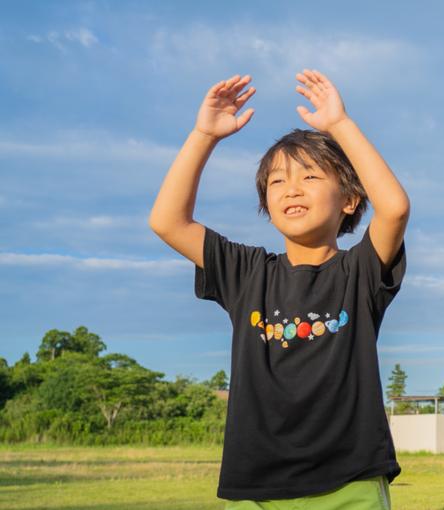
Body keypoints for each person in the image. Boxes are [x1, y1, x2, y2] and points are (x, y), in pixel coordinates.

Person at [149, 71, 410, 508]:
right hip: (257, 489)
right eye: (276, 181)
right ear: (266, 204)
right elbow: (167, 222)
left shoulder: (359, 271)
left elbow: (395, 208)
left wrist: (340, 125)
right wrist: (203, 135)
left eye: (310, 177)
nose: (291, 188)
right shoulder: (248, 272)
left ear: (349, 201)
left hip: (351, 483)